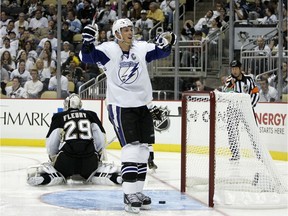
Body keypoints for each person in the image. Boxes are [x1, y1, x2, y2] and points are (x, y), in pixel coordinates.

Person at [79, 18, 176, 213]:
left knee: (143, 149)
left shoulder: (140, 48)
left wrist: (167, 43)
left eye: (131, 28)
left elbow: (161, 51)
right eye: (125, 30)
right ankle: (128, 194)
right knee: (131, 148)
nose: (130, 32)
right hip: (121, 105)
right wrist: (87, 41)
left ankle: (136, 191)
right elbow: (86, 56)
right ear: (116, 34)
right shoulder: (109, 50)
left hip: (142, 105)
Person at [27, 94, 122, 186]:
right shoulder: (91, 115)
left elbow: (52, 144)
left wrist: (53, 157)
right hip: (89, 160)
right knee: (94, 171)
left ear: (67, 104)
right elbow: (101, 139)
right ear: (80, 105)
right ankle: (110, 177)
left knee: (59, 172)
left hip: (66, 160)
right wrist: (98, 154)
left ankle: (49, 177)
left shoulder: (59, 117)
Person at [223, 60, 260, 161]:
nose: (234, 71)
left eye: (236, 68)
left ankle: (259, 153)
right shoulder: (229, 80)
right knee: (232, 131)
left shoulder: (249, 80)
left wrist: (250, 105)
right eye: (232, 69)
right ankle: (235, 153)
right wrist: (230, 85)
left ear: (240, 69)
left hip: (247, 110)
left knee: (253, 131)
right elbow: (224, 93)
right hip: (233, 110)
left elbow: (256, 92)